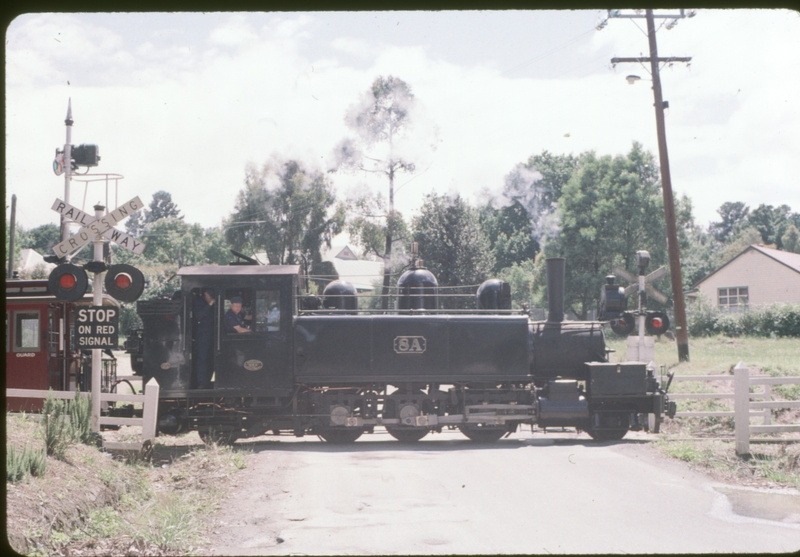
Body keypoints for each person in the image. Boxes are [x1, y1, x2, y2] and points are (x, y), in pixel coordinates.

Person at [193, 288, 216, 389]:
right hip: (202, 335)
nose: (207, 297)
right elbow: (198, 316)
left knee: (211, 359)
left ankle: (208, 381)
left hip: (213, 335)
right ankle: (201, 383)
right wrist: (209, 305)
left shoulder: (215, 305)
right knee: (202, 359)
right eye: (207, 295)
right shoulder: (199, 303)